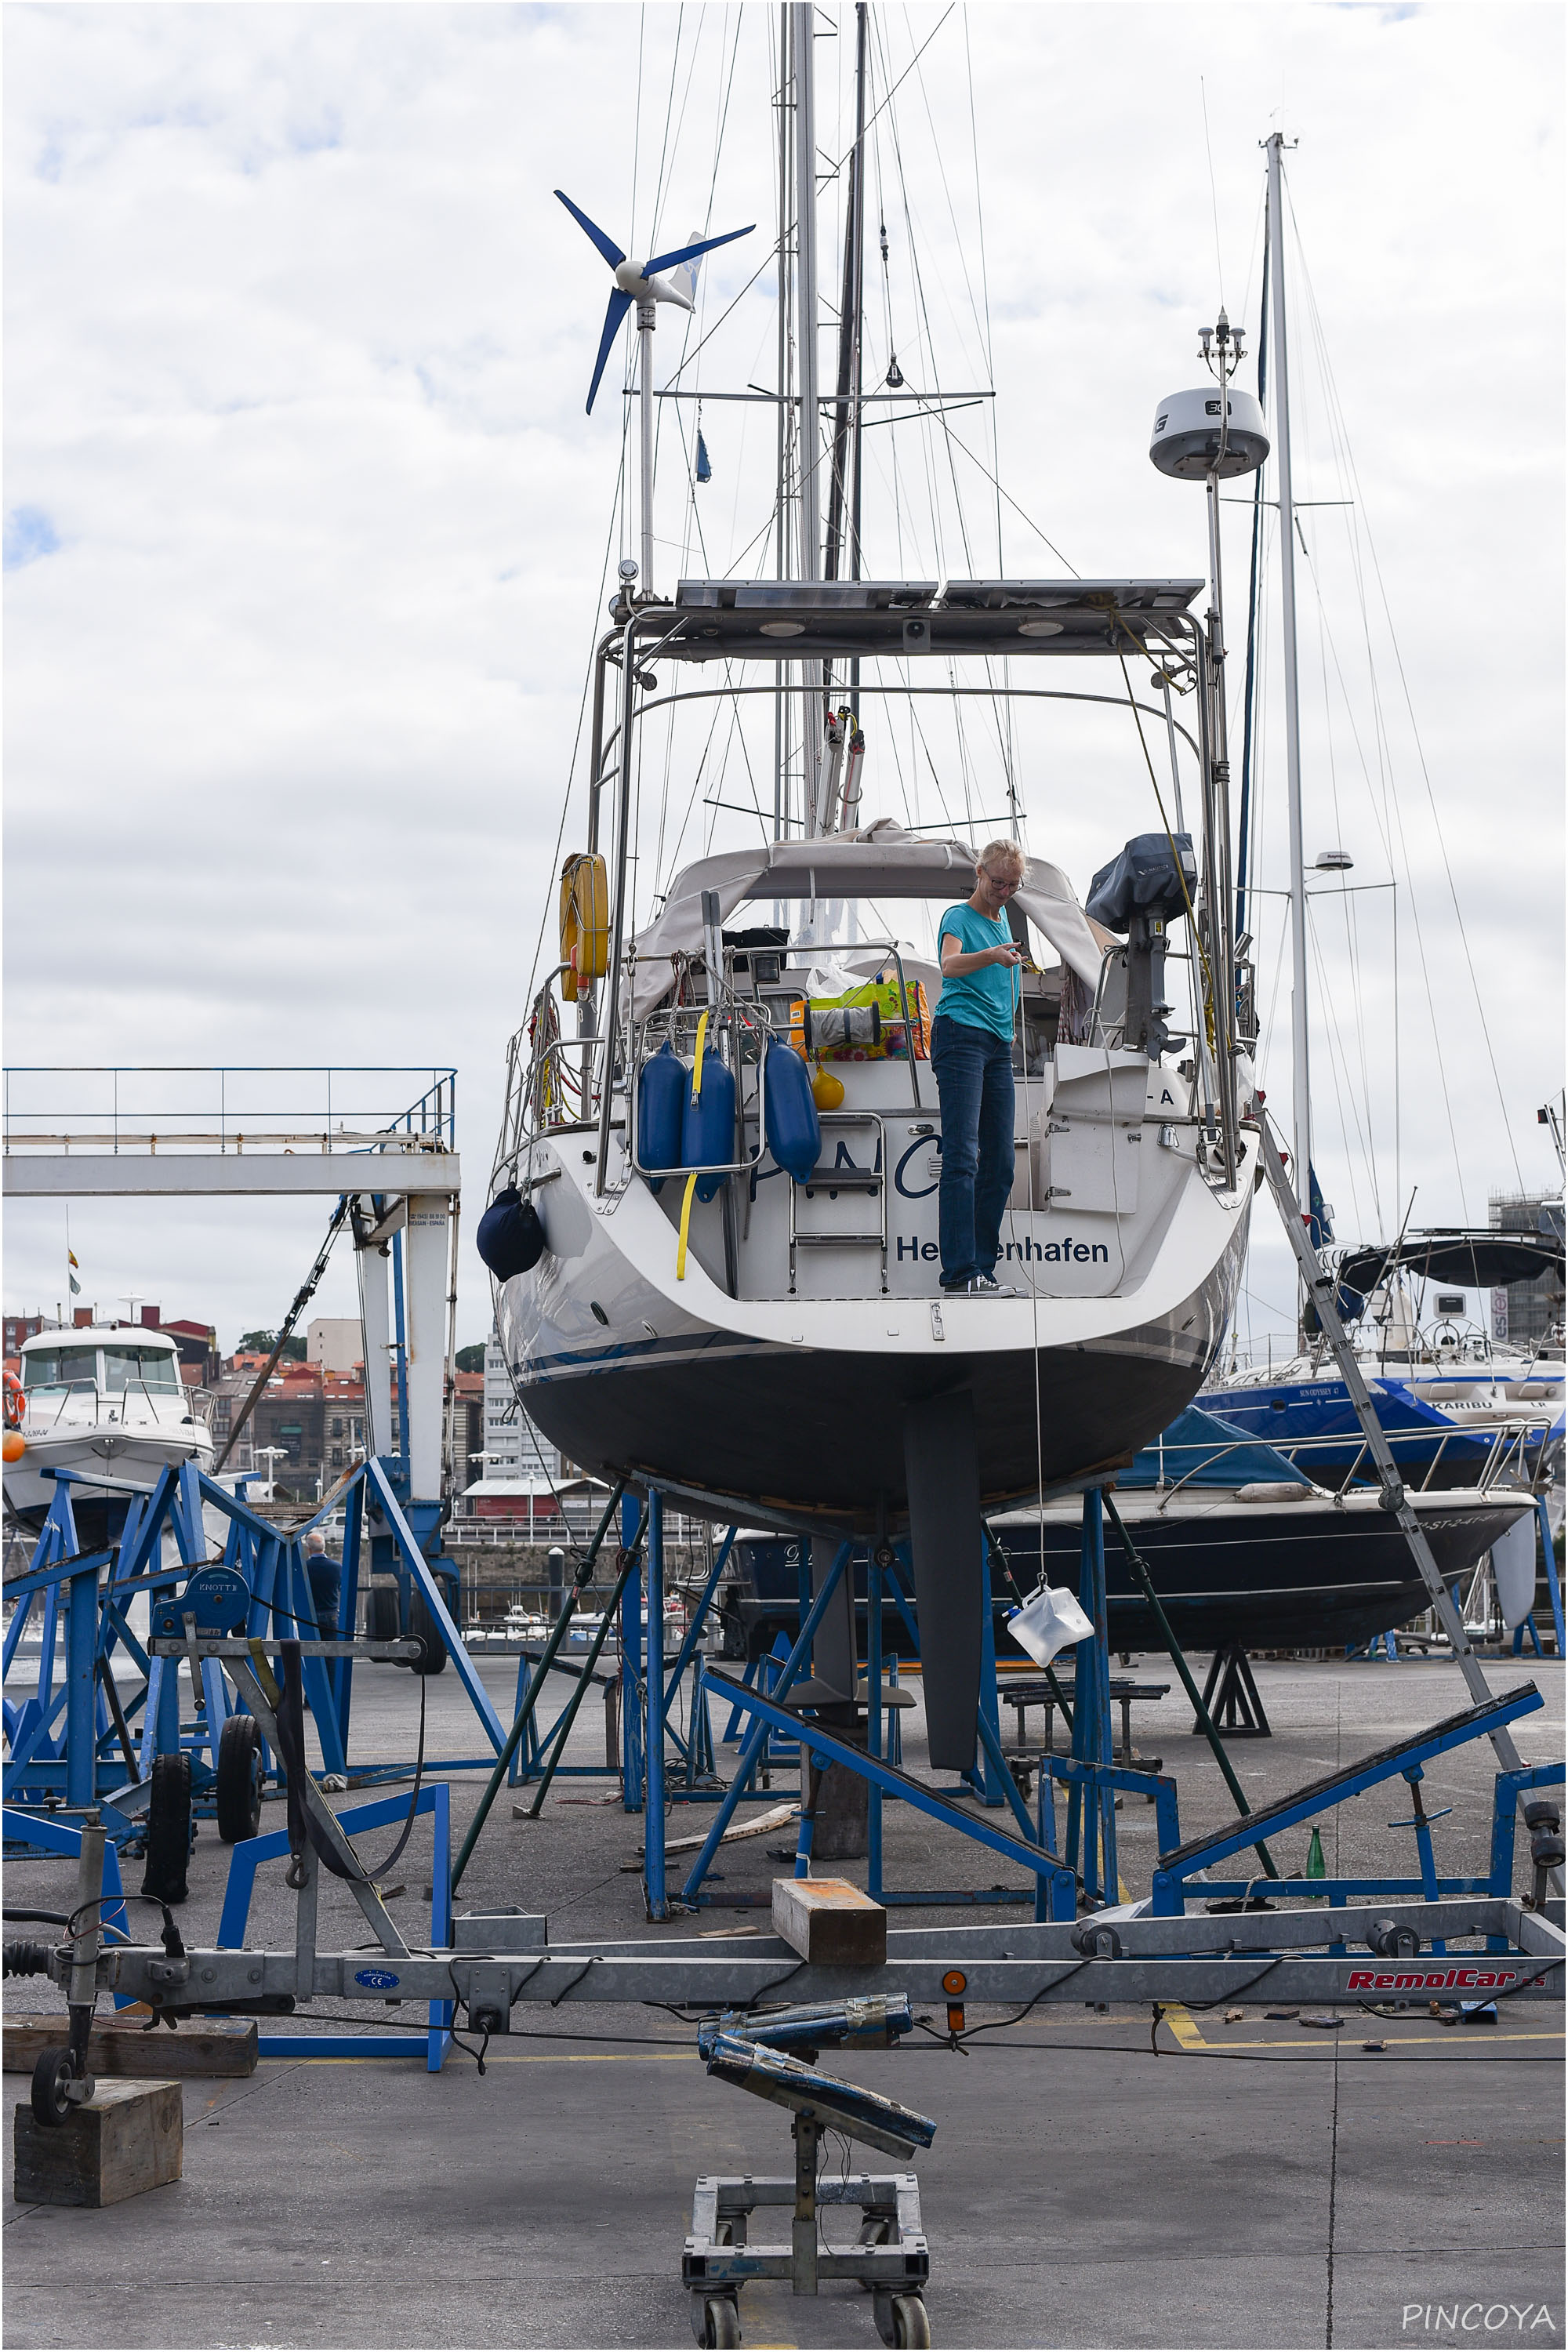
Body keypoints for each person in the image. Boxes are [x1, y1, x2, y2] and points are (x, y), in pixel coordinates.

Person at [931, 840, 1027, 1294]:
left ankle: (982, 1269)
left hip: (996, 1046)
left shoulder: (1002, 916)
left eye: (1012, 884)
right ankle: (959, 1272)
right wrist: (992, 955)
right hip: (960, 1036)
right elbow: (949, 966)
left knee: (1002, 1161)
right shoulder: (959, 917)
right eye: (997, 882)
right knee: (963, 1156)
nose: (1004, 891)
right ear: (979, 873)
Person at [304, 1529, 342, 1635]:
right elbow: (339, 1586)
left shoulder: (304, 1568)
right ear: (324, 1547)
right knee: (332, 1648)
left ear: (309, 1549)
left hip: (309, 1615)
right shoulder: (337, 1567)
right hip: (331, 1615)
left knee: (309, 1649)